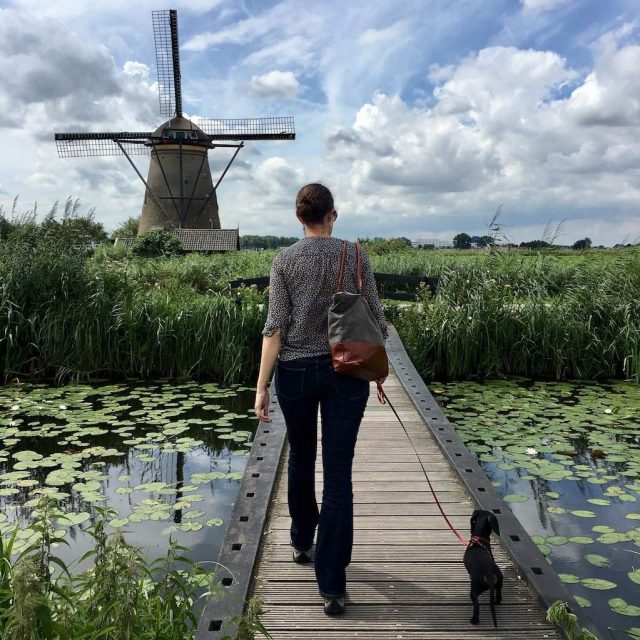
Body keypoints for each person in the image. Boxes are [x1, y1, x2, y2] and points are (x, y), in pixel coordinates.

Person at [254, 183, 388, 615]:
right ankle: (332, 586)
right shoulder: (355, 255)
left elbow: (274, 328)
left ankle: (300, 542)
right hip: (345, 373)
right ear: (333, 214)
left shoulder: (283, 260)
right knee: (338, 475)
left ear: (298, 218)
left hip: (294, 372)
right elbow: (378, 322)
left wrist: (260, 386)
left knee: (300, 458)